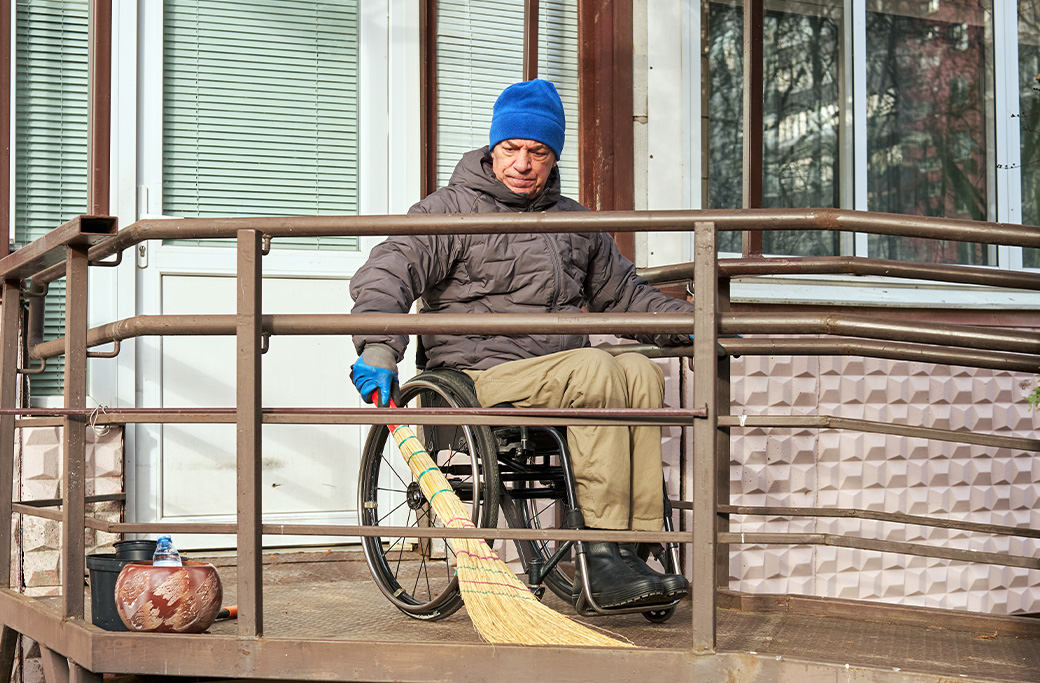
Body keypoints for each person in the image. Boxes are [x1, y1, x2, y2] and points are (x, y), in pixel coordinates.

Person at [349, 79, 693, 610]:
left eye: (539, 151)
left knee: (642, 371)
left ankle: (635, 544)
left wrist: (697, 323)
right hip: (476, 379)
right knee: (596, 367)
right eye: (512, 149)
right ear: (493, 148)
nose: (524, 163)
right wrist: (378, 346)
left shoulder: (577, 224)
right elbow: (388, 273)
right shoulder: (448, 212)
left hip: (557, 373)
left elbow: (626, 294)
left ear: (554, 157)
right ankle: (597, 552)